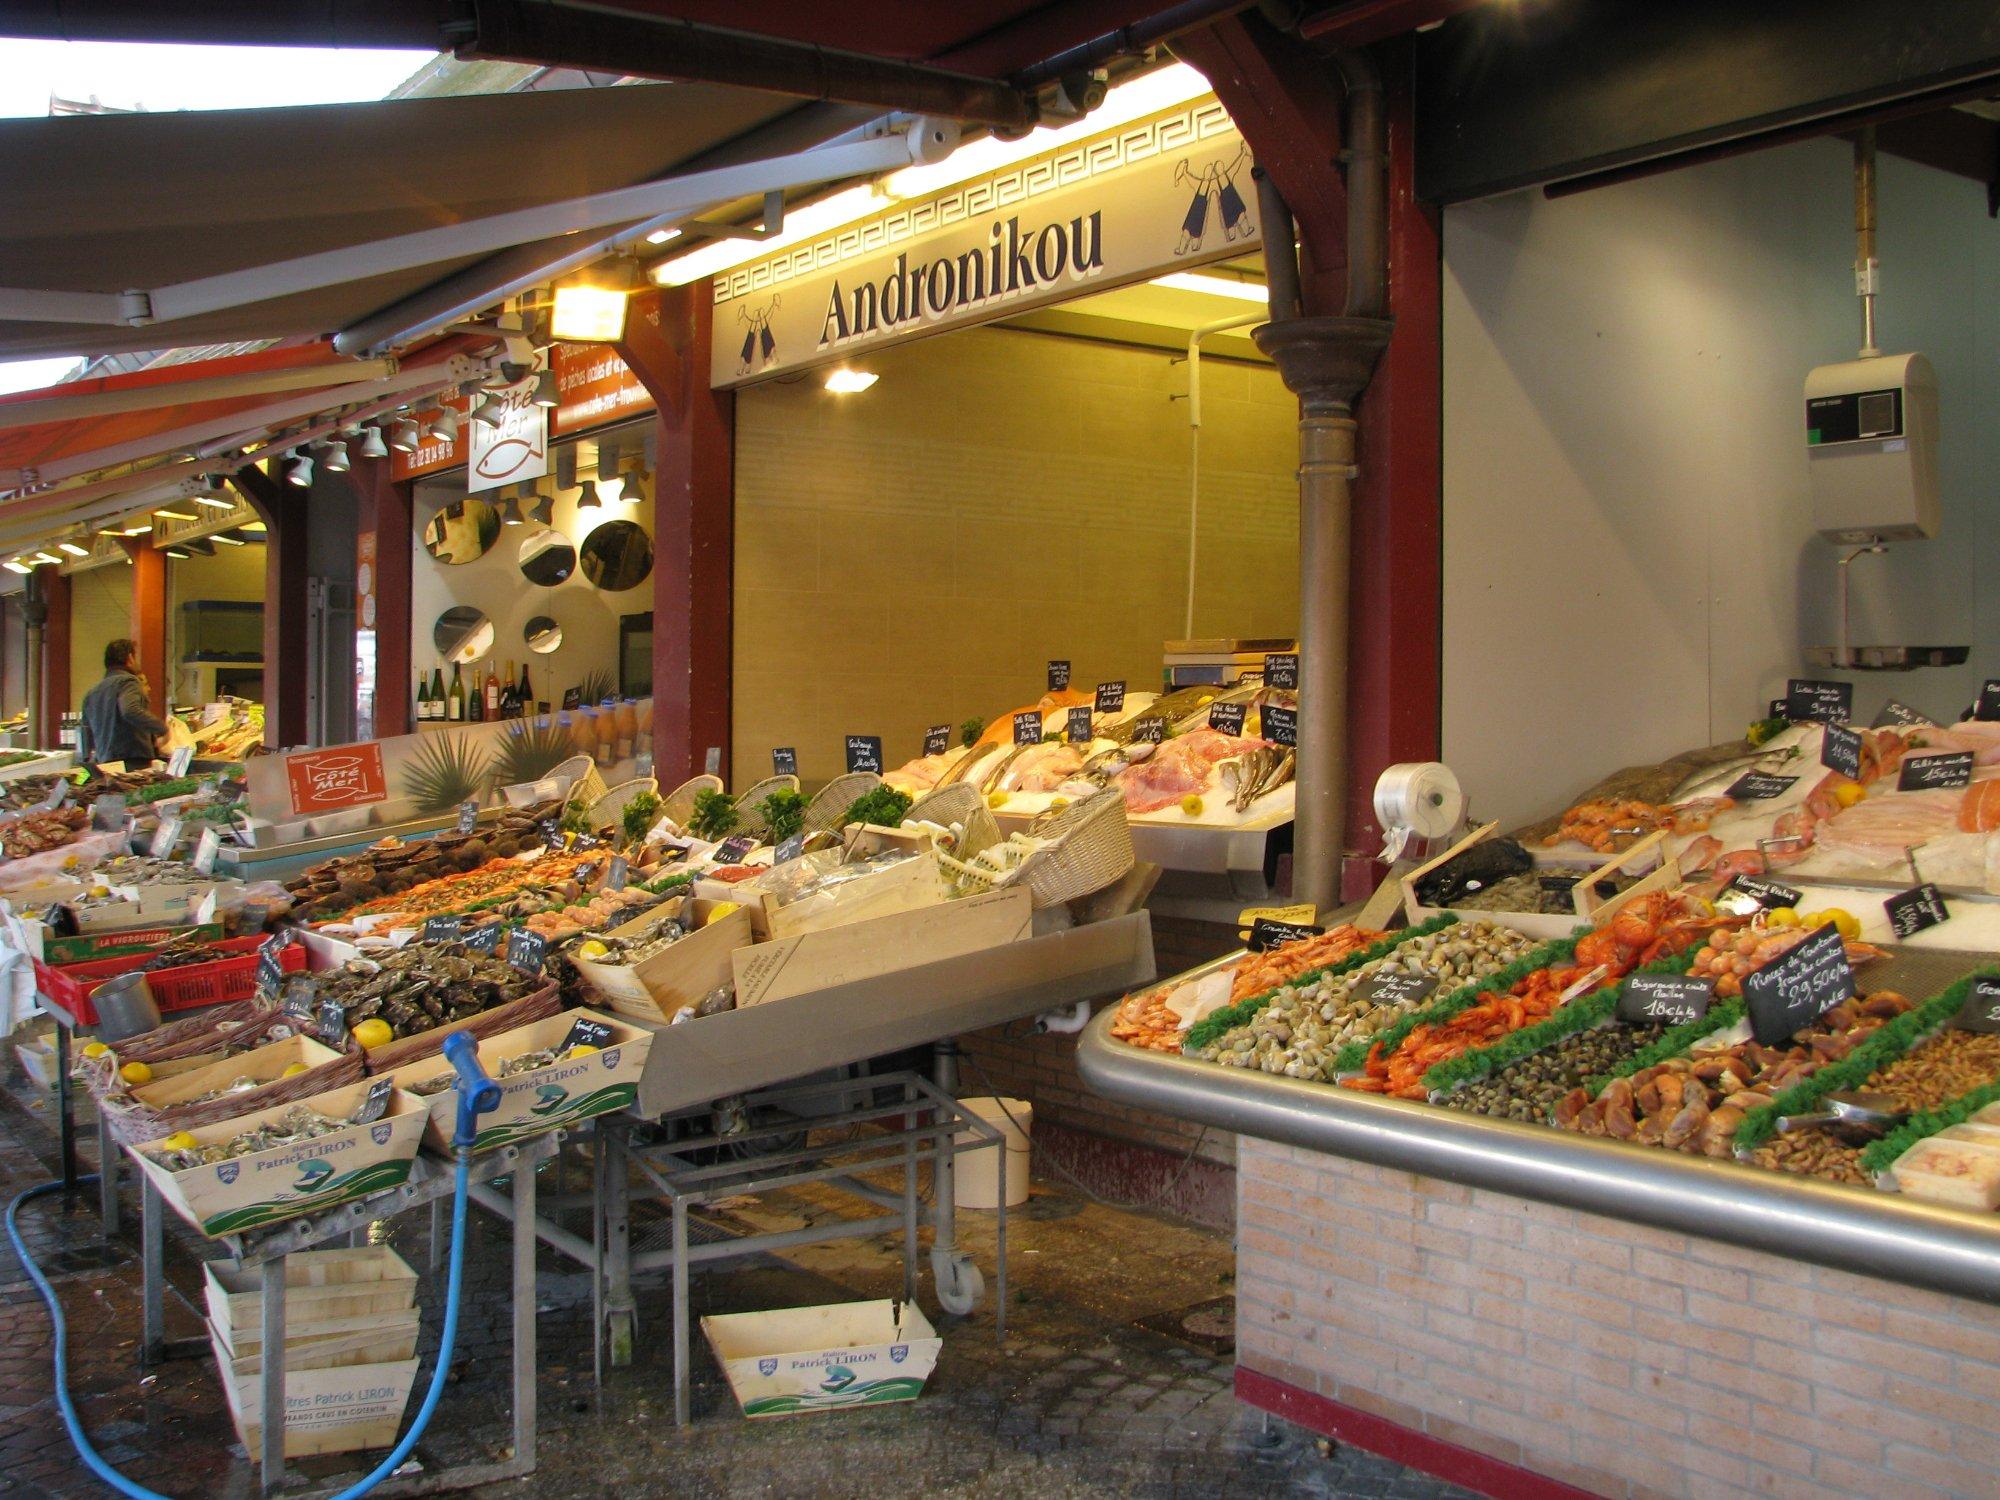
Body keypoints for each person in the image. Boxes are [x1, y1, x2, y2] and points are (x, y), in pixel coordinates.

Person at [78, 639, 168, 767]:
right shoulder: (128, 681)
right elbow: (130, 710)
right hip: (132, 761)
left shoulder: (92, 693)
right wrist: (161, 728)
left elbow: (85, 732)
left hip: (104, 762)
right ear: (130, 658)